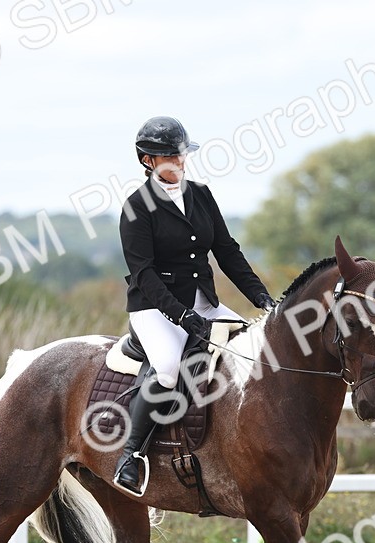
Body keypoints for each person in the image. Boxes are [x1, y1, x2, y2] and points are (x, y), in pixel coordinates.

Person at [114, 115, 275, 496]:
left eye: (182, 153)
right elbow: (144, 274)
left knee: (257, 350)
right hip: (154, 308)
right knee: (168, 370)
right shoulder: (136, 208)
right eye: (171, 155)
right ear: (148, 160)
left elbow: (227, 251)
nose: (180, 160)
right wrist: (182, 316)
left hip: (204, 304)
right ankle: (130, 456)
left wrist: (263, 299)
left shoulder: (200, 194)